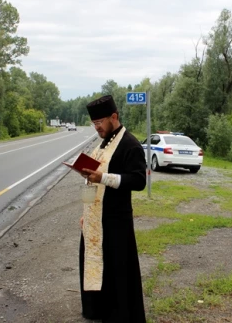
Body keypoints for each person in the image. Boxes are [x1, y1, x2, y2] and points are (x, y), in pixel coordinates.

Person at [78, 94, 147, 322]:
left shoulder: (130, 144)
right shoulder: (103, 143)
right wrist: (85, 213)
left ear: (114, 117)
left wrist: (103, 177)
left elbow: (138, 181)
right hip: (95, 219)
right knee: (97, 265)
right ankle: (97, 310)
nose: (96, 128)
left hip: (116, 221)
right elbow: (92, 179)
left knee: (117, 270)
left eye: (99, 123)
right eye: (94, 124)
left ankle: (120, 314)